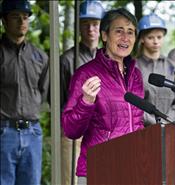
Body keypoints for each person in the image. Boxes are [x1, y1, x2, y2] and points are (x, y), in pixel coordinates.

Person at [61, 8, 144, 185]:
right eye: (119, 31)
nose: (125, 38)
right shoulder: (86, 74)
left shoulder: (136, 75)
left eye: (130, 32)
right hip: (98, 168)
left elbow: (137, 123)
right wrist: (86, 102)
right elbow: (70, 130)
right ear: (105, 36)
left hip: (132, 168)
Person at [0, 0, 49, 185]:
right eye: (15, 17)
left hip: (32, 131)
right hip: (4, 132)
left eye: (25, 17)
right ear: (3, 21)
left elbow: (42, 93)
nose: (22, 22)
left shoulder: (40, 57)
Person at [60, 1, 105, 184]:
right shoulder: (67, 59)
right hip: (76, 134)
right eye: (85, 24)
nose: (90, 29)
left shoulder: (112, 59)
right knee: (71, 181)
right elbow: (59, 97)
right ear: (79, 26)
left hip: (104, 132)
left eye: (95, 23)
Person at [136, 13, 175, 125]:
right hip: (142, 128)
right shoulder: (134, 67)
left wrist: (168, 119)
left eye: (159, 37)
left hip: (172, 126)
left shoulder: (173, 67)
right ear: (142, 39)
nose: (155, 41)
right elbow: (132, 102)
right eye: (150, 37)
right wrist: (153, 122)